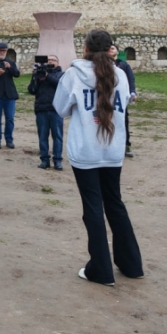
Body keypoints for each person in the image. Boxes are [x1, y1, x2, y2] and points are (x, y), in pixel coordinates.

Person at [54, 29, 142, 286]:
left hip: (86, 150)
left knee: (93, 208)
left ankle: (101, 270)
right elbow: (123, 104)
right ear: (110, 49)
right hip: (112, 149)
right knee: (115, 204)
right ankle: (131, 265)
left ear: (85, 49)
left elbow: (60, 108)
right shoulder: (120, 75)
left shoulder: (74, 75)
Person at [28, 54, 64, 169]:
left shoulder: (61, 74)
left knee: (57, 136)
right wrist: (35, 77)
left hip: (56, 109)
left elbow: (61, 85)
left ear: (58, 63)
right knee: (42, 136)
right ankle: (44, 160)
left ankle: (57, 160)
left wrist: (47, 77)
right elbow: (31, 90)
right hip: (41, 109)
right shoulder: (39, 73)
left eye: (53, 60)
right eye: (48, 60)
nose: (50, 62)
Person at [109, 46, 137, 157]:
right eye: (109, 48)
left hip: (119, 99)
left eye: (113, 48)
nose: (111, 49)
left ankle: (126, 145)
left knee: (123, 122)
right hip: (107, 98)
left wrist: (132, 92)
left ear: (117, 51)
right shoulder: (103, 64)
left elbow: (131, 79)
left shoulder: (123, 65)